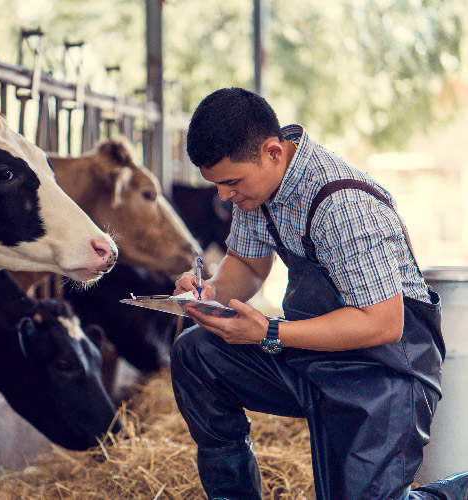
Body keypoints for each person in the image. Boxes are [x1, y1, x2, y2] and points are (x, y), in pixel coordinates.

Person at [171, 87, 467, 500]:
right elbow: (249, 265)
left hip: (385, 373)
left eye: (231, 182)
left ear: (274, 152)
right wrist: (209, 291)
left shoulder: (341, 203)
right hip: (319, 359)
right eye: (216, 184)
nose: (223, 196)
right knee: (196, 352)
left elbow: (383, 323)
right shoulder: (258, 192)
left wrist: (270, 332)